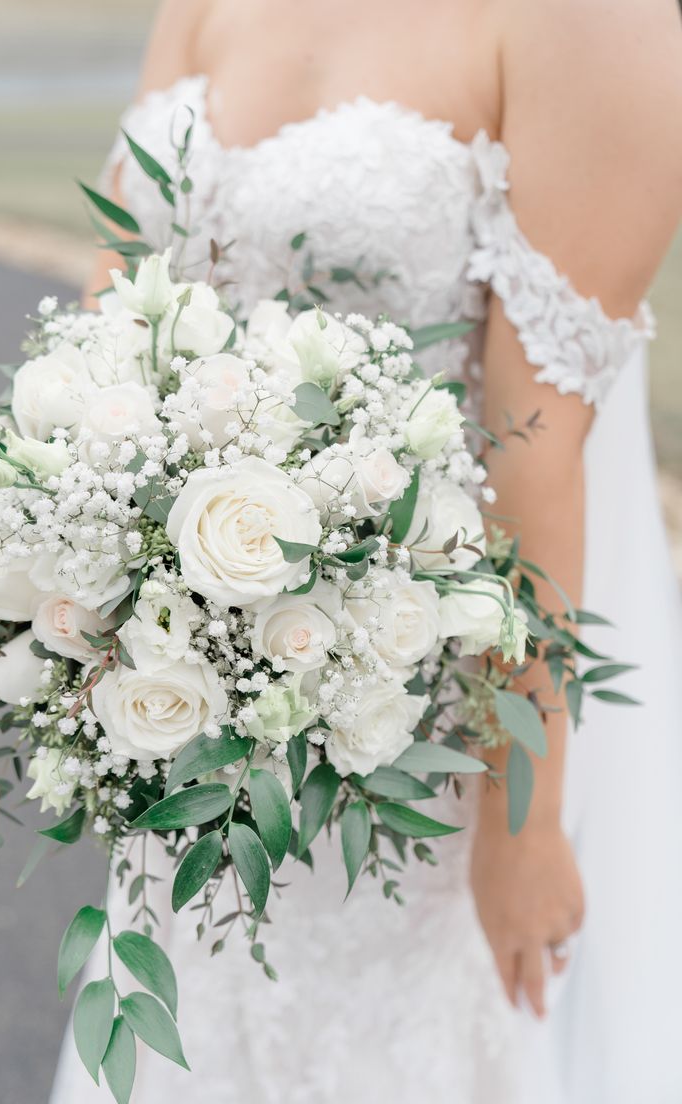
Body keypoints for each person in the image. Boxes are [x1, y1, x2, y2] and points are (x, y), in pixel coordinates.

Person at [52, 1, 682, 1100]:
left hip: (419, 723)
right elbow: (119, 293)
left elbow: (541, 450)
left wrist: (520, 824)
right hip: (196, 698)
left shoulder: (590, 24)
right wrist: (72, 568)